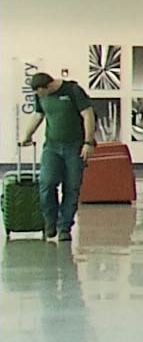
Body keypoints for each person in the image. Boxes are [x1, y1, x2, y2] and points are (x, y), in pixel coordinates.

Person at [19, 72, 98, 241]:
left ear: (48, 86)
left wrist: (88, 142)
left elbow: (88, 115)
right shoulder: (40, 95)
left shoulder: (72, 90)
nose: (38, 96)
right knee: (46, 182)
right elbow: (39, 115)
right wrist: (27, 135)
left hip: (75, 146)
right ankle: (50, 222)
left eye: (40, 92)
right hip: (52, 147)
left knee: (72, 187)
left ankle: (64, 227)